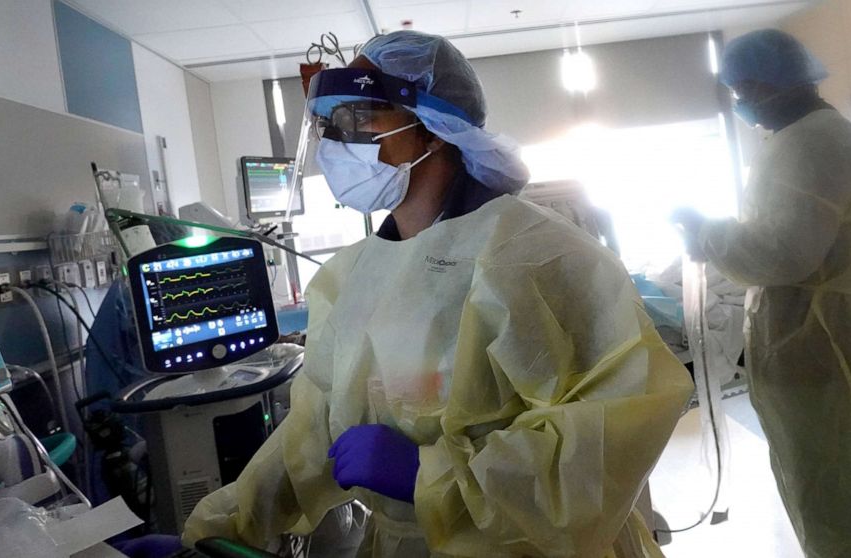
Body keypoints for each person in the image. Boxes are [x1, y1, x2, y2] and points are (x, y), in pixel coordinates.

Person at [184, 30, 693, 557]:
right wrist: (215, 530)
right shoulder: (351, 278)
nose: (338, 142)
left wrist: (431, 477)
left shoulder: (537, 257)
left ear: (433, 129)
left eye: (360, 119)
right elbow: (307, 441)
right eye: (331, 125)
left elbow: (610, 437)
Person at [672, 29, 851, 558]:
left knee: (832, 483)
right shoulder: (805, 138)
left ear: (773, 84)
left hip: (821, 341)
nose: (741, 103)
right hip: (823, 330)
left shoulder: (815, 141)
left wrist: (705, 230)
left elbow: (784, 252)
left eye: (743, 91)